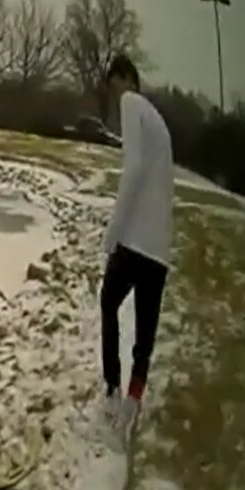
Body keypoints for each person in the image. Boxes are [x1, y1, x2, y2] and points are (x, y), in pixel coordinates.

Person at [98, 54, 174, 443]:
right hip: (160, 246)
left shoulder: (131, 104)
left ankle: (112, 390)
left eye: (113, 85)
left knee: (108, 301)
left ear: (125, 79)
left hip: (137, 239)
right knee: (145, 332)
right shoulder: (158, 122)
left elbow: (134, 168)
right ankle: (132, 401)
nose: (113, 95)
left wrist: (114, 230)